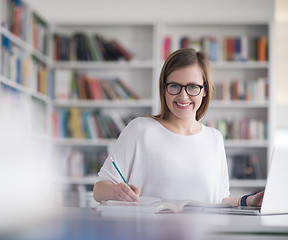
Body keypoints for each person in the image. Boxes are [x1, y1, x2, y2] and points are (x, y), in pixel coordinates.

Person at [93, 48, 264, 207]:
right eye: (174, 86)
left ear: (204, 90)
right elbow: (99, 190)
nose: (183, 96)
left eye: (192, 87)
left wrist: (248, 200)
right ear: (164, 88)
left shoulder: (214, 138)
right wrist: (116, 192)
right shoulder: (140, 129)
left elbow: (218, 200)